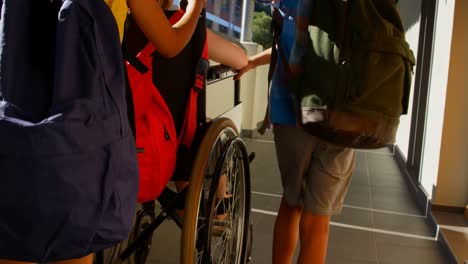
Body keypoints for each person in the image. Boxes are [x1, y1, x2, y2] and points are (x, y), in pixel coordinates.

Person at [0, 1, 204, 264]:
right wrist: (195, 8)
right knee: (77, 241)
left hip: (14, 133)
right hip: (84, 133)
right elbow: (170, 43)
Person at [235, 0, 356, 263]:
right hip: (341, 111)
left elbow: (294, 44)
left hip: (294, 107)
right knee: (318, 217)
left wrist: (252, 62)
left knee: (293, 203)